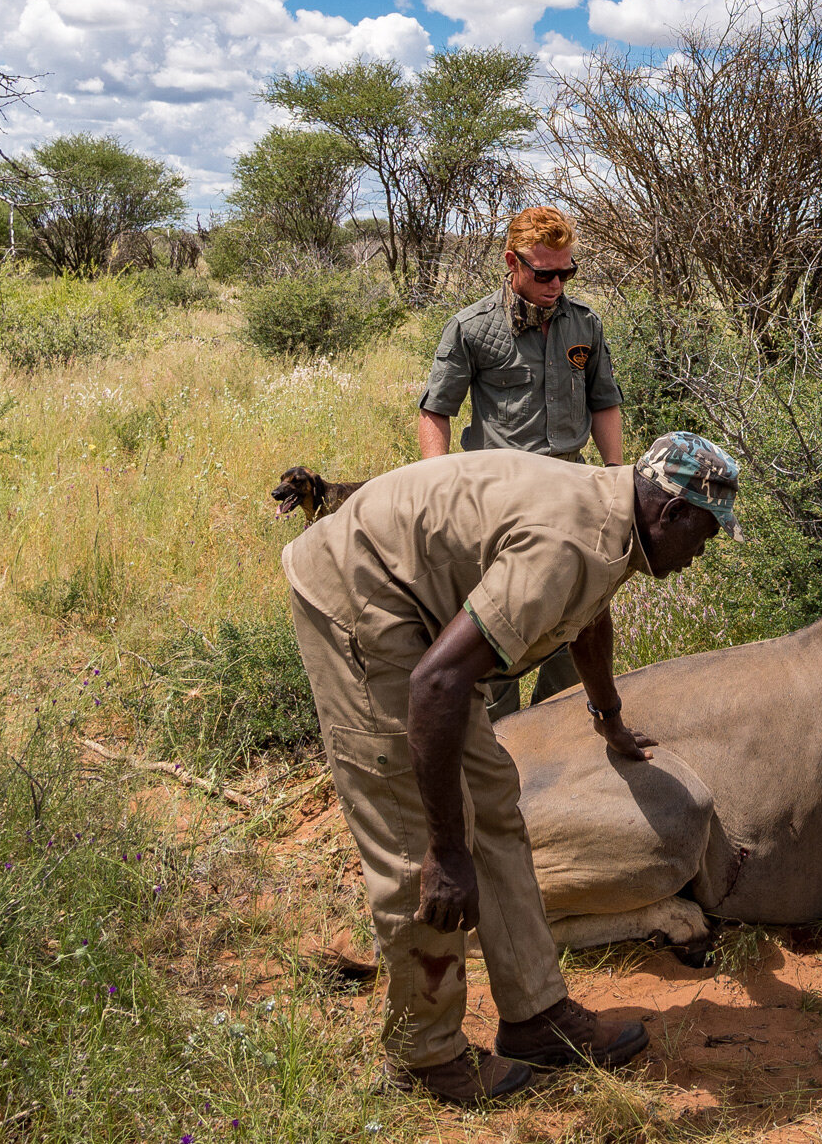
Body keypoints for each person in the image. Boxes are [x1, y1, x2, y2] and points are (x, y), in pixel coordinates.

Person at [282, 433, 742, 1105]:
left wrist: (608, 715)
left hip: (419, 609)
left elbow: (587, 616)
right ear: (669, 515)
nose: (703, 551)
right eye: (703, 532)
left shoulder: (613, 517)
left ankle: (535, 1015)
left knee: (494, 804)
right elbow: (435, 685)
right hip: (359, 596)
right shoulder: (569, 545)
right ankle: (424, 1058)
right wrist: (445, 850)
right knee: (416, 842)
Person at [418, 206, 628, 718]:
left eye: (567, 272)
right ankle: (502, 735)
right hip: (498, 502)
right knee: (497, 624)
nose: (557, 283)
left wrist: (617, 478)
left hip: (572, 495)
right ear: (513, 263)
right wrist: (434, 488)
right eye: (544, 273)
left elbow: (604, 403)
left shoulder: (585, 324)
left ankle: (557, 722)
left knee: (579, 616)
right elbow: (435, 411)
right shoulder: (471, 328)